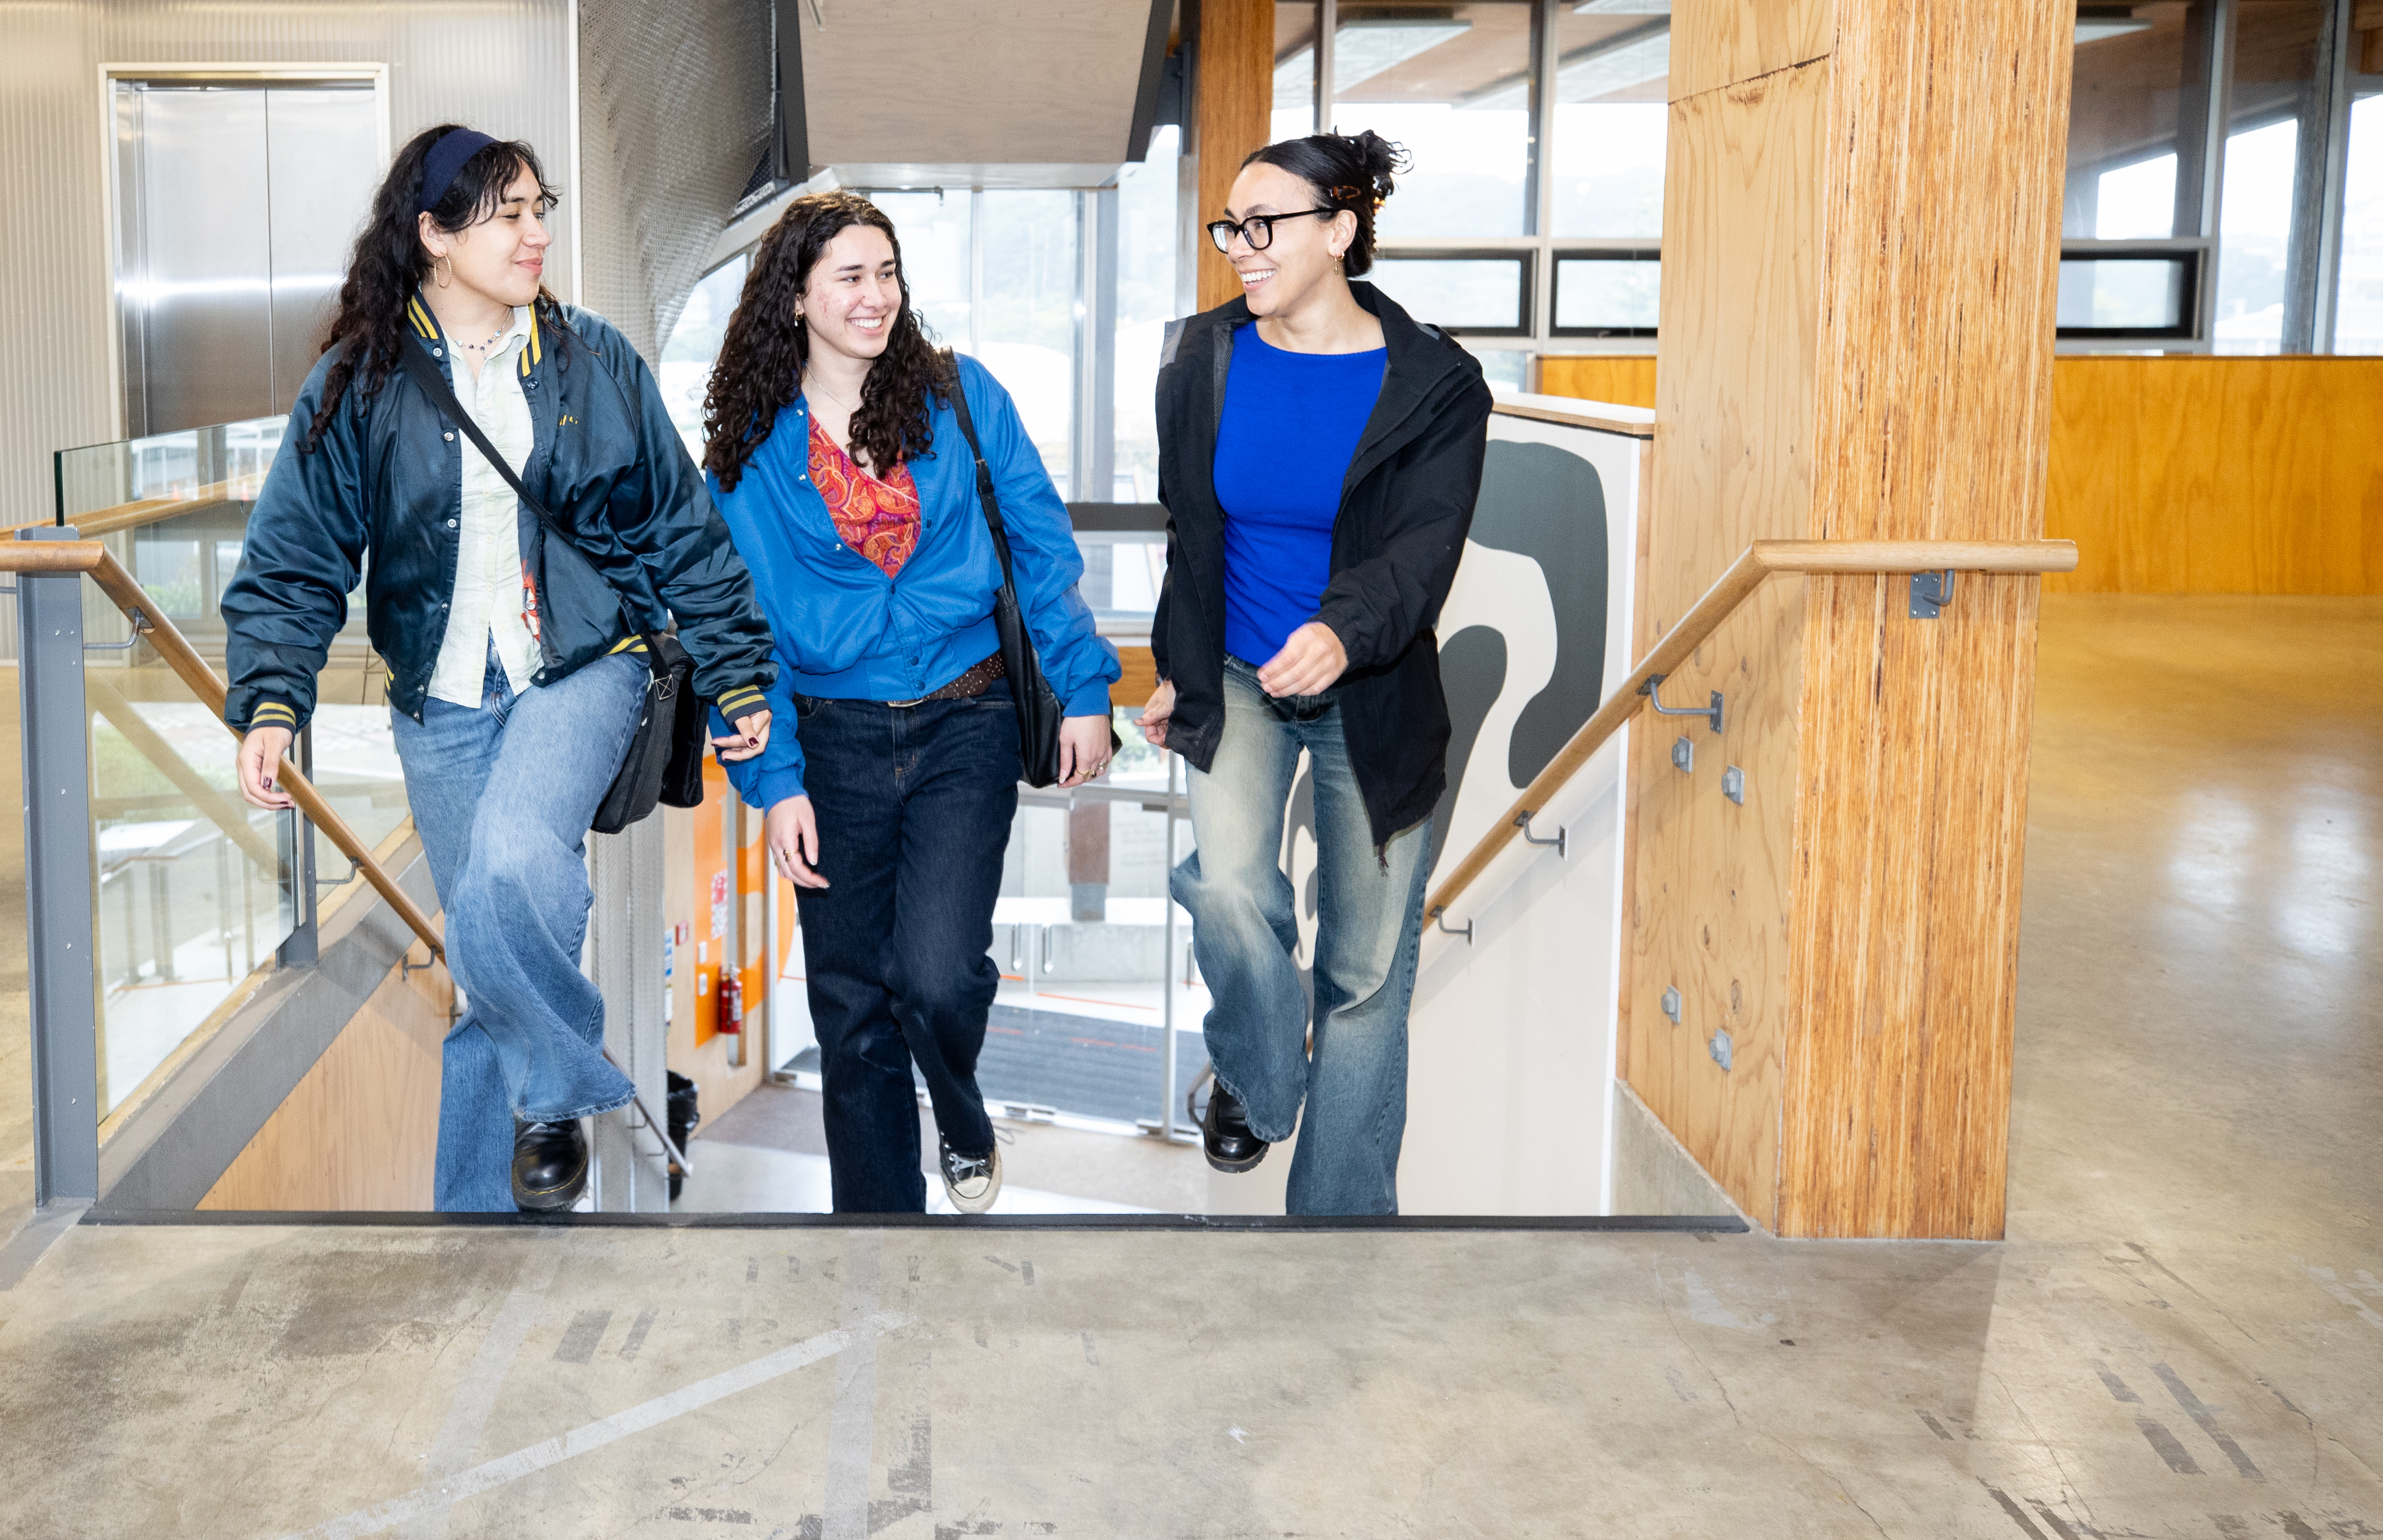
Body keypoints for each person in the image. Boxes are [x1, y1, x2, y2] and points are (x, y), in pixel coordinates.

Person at [221, 124, 777, 1214]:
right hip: (441, 694)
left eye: (539, 209)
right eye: (505, 213)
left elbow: (681, 526)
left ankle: (561, 1089)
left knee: (519, 862)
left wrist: (737, 669)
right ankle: (480, 1227)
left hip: (583, 660)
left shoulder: (592, 359)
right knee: (486, 945)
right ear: (430, 235)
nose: (535, 233)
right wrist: (272, 697)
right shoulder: (364, 380)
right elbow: (297, 549)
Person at [701, 191, 1120, 1215]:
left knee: (935, 975)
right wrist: (775, 780)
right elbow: (733, 632)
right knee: (848, 1010)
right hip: (831, 740)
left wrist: (1084, 686)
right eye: (850, 276)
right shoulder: (748, 450)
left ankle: (962, 1110)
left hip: (965, 718)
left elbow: (1040, 545)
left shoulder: (957, 396)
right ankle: (879, 1247)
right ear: (794, 297)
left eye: (886, 274)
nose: (876, 297)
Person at [1135, 131, 1489, 1216]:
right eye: (1230, 228)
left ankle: (1336, 1230)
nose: (1240, 248)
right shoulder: (1201, 358)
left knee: (1366, 979)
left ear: (1339, 232)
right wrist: (1174, 666)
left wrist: (1343, 629)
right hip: (1237, 673)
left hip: (1372, 695)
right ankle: (1253, 1072)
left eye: (1265, 225)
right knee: (1228, 888)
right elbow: (1192, 534)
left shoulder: (1436, 384)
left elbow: (1426, 546)